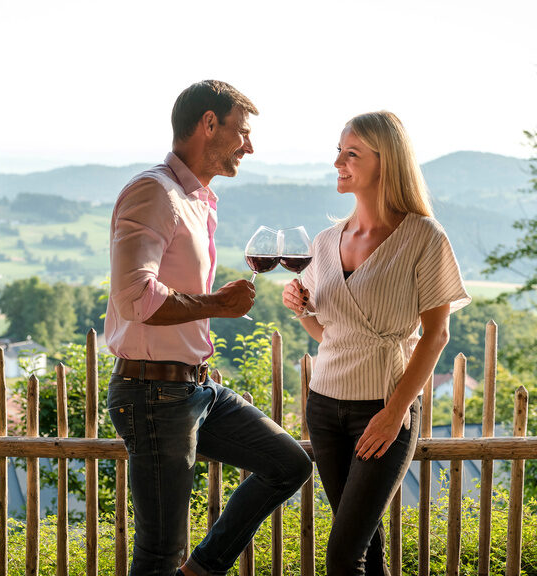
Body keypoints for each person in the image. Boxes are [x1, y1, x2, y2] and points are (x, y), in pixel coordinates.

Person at [105, 80, 312, 576]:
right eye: (242, 131)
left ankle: (201, 571)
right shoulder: (154, 192)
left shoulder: (196, 199)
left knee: (289, 465)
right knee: (158, 553)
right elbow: (137, 298)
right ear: (209, 123)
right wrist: (217, 304)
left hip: (195, 388)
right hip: (153, 394)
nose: (249, 145)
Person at [282, 111, 470, 575]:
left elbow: (436, 334)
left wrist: (394, 414)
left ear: (387, 162)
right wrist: (302, 307)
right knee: (367, 546)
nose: (338, 163)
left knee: (343, 557)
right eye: (338, 152)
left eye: (352, 153)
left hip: (382, 408)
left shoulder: (423, 237)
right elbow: (334, 334)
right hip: (324, 409)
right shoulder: (325, 242)